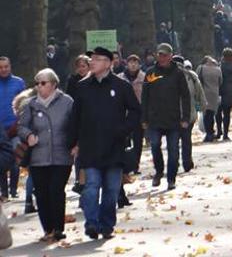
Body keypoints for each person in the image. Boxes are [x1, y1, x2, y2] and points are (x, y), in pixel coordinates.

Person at [69, 47, 141, 240]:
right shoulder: (83, 87)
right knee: (91, 187)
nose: (92, 62)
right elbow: (75, 117)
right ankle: (92, 223)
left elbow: (135, 111)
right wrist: (73, 142)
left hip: (114, 147)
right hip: (90, 147)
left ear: (109, 63)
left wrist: (123, 130)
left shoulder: (121, 86)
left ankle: (107, 224)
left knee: (111, 190)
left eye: (97, 59)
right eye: (91, 59)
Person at [16, 69, 74, 242]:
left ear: (54, 84)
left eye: (43, 83)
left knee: (56, 190)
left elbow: (75, 125)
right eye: (37, 83)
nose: (39, 86)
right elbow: (21, 127)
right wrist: (28, 135)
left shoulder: (67, 102)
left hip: (61, 155)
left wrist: (75, 144)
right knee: (41, 193)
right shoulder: (30, 104)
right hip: (38, 157)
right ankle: (48, 229)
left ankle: (58, 229)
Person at [141, 43, 191, 190]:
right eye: (160, 55)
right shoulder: (150, 73)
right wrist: (144, 118)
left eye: (165, 55)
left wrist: (185, 118)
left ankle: (171, 179)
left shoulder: (178, 73)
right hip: (155, 119)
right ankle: (159, 171)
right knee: (155, 145)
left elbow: (185, 96)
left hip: (173, 119)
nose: (162, 58)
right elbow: (145, 97)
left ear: (171, 56)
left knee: (173, 150)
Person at [172, 55, 206, 171]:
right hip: (188, 114)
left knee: (174, 141)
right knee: (186, 139)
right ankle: (186, 163)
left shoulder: (169, 76)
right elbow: (199, 94)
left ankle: (175, 163)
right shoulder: (192, 76)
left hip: (174, 115)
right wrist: (202, 108)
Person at [0, 57, 25, 202]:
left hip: (15, 127)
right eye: (1, 67)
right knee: (2, 160)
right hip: (0, 129)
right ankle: (4, 191)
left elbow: (24, 103)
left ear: (10, 67)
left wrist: (19, 122)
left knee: (15, 157)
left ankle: (13, 189)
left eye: (6, 66)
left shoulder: (18, 82)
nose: (3, 69)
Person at [117, 55, 145, 174]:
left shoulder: (144, 78)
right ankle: (125, 165)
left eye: (135, 62)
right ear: (126, 64)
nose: (133, 65)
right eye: (130, 62)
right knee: (124, 141)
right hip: (123, 114)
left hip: (139, 113)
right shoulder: (120, 78)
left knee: (138, 141)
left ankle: (135, 165)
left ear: (139, 65)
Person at [217, 48, 232, 141]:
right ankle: (225, 134)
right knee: (227, 113)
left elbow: (218, 79)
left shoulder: (220, 67)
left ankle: (219, 130)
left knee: (218, 112)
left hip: (221, 91)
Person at [197, 57, 222, 142]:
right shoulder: (218, 69)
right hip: (214, 94)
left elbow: (197, 80)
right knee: (211, 114)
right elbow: (220, 81)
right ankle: (211, 132)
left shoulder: (201, 68)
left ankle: (208, 133)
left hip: (204, 93)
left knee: (205, 114)